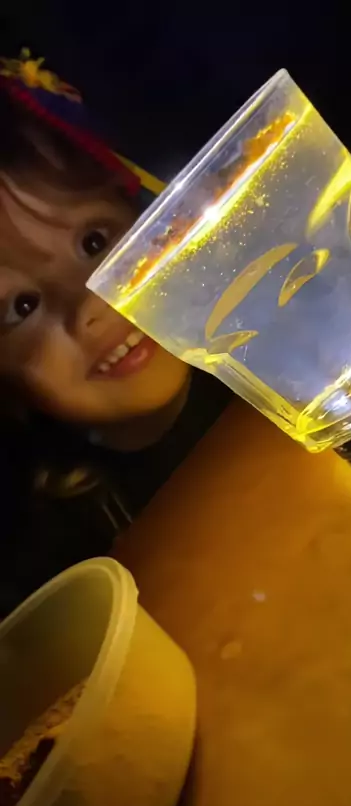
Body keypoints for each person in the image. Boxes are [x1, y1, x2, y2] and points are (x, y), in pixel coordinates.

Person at [0, 50, 230, 614]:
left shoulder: (285, 341)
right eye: (22, 306)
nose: (90, 304)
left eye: (95, 243)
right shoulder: (59, 559)